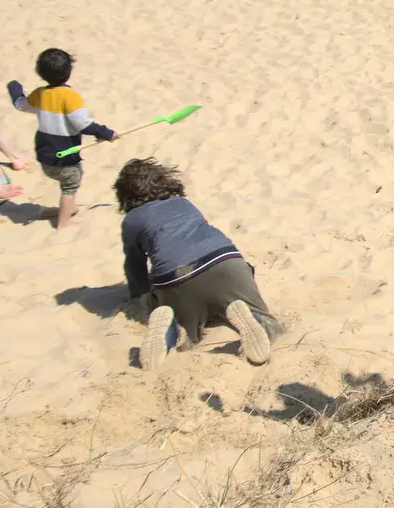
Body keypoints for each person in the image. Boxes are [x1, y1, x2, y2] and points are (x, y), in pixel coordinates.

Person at [115, 157, 280, 370]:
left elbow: (134, 265)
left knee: (183, 326)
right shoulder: (183, 203)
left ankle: (169, 331)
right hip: (225, 261)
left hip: (177, 277)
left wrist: (142, 299)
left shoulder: (132, 220)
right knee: (266, 321)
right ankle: (254, 319)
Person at [8, 48, 116, 229]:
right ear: (68, 72)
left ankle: (66, 208)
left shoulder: (40, 94)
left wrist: (15, 90)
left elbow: (20, 104)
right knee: (71, 183)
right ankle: (63, 222)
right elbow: (83, 124)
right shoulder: (70, 96)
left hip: (45, 155)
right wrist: (106, 132)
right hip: (64, 155)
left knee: (69, 180)